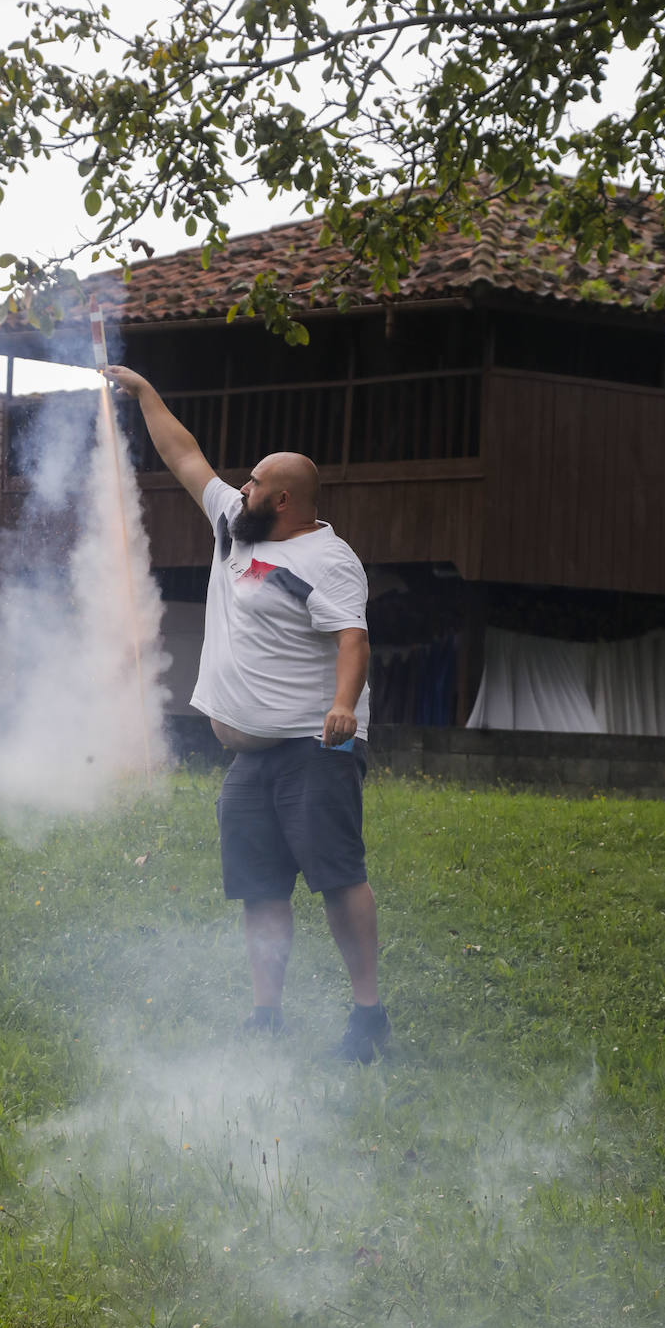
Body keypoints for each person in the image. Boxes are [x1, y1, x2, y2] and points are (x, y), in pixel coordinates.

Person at [105, 365, 391, 1063]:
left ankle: (368, 1015)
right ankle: (267, 1015)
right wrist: (146, 394)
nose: (243, 487)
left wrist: (343, 706)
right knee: (261, 889)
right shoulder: (236, 526)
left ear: (284, 498)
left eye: (257, 482)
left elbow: (353, 638)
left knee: (336, 879)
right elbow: (183, 454)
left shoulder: (329, 560)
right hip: (249, 758)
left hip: (311, 748)